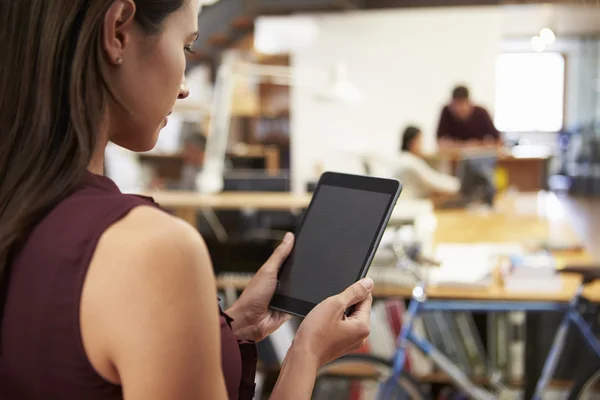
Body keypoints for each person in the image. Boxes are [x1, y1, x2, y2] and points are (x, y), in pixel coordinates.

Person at [0, 2, 373, 400]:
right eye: (187, 47)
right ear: (117, 32)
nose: (184, 86)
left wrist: (234, 327)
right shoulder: (154, 251)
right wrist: (307, 351)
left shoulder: (22, 214)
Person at [392, 126, 460, 199]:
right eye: (420, 141)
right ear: (413, 143)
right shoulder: (410, 162)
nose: (422, 146)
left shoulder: (400, 158)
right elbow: (434, 181)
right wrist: (458, 184)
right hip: (411, 205)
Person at [436, 85, 501, 145]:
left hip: (479, 154)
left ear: (469, 102)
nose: (459, 109)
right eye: (456, 105)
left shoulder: (481, 113)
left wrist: (478, 144)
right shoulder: (446, 111)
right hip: (455, 155)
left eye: (462, 104)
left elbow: (497, 139)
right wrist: (463, 145)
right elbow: (439, 140)